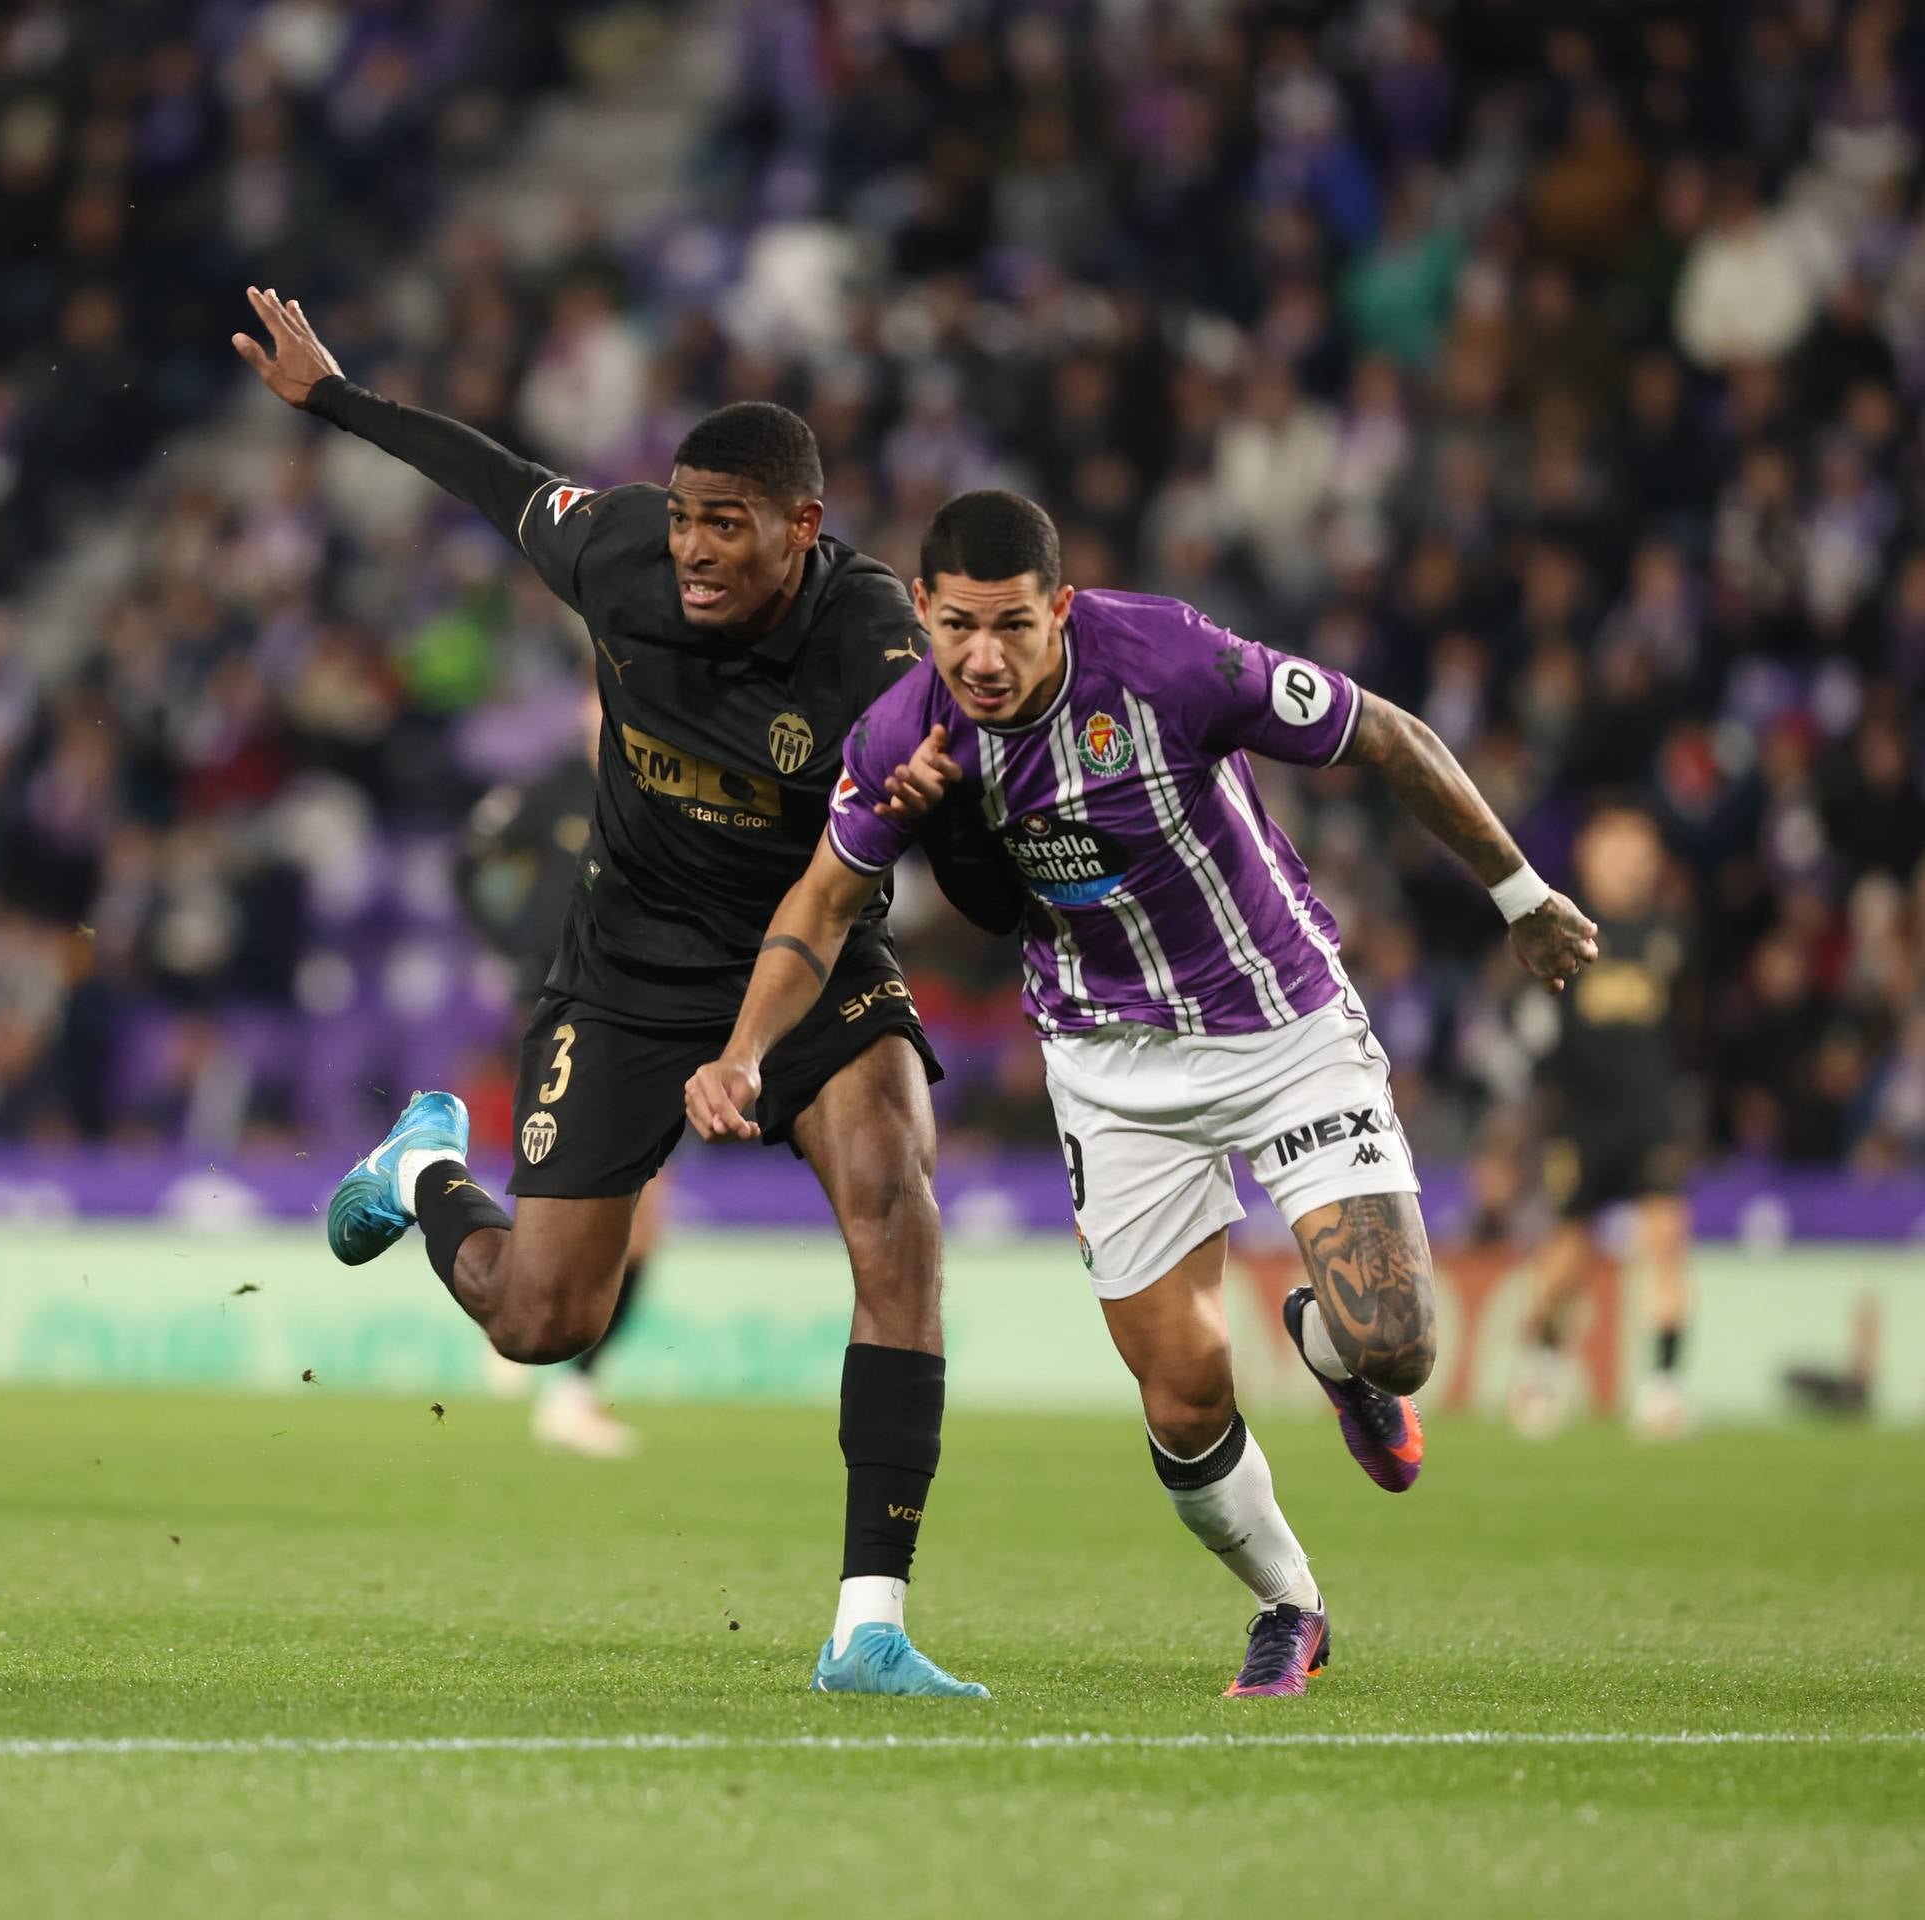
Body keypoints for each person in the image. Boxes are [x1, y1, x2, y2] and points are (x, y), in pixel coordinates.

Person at [234, 288, 1024, 1697]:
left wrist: (939, 807)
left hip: (817, 956)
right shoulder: (614, 556)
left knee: (896, 1218)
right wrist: (335, 399)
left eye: (728, 521)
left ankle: (867, 1623)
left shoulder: (875, 649)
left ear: (801, 526)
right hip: (624, 972)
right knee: (544, 1325)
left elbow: (974, 879)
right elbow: (488, 476)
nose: (694, 546)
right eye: (683, 514)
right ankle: (423, 1174)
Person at [686, 491, 1599, 1698]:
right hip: (1109, 1072)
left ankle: (1330, 1354)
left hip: (1279, 1023)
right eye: (958, 625)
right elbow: (820, 899)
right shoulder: (905, 738)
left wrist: (1521, 897)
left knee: (1396, 1342)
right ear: (922, 611)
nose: (985, 657)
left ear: (1060, 607)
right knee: (1180, 1398)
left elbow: (1387, 736)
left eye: (1014, 625)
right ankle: (1291, 1606)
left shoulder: (1170, 660)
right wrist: (745, 1052)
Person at [454, 693, 658, 1460]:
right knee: (560, 1166)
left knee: (640, 1210)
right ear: (582, 706)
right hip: (561, 1001)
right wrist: (514, 946)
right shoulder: (551, 789)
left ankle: (564, 1377)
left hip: (648, 1007)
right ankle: (523, 1324)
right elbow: (466, 859)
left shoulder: (665, 787)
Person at [1508, 802, 1695, 1440]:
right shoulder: (1564, 929)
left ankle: (1663, 1389)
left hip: (1650, 1117)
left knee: (1666, 1241)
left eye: (1640, 848)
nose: (1629, 861)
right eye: (1617, 847)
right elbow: (1537, 1030)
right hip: (1583, 1123)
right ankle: (1539, 1372)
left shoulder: (1671, 935)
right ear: (1590, 854)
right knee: (1567, 1260)